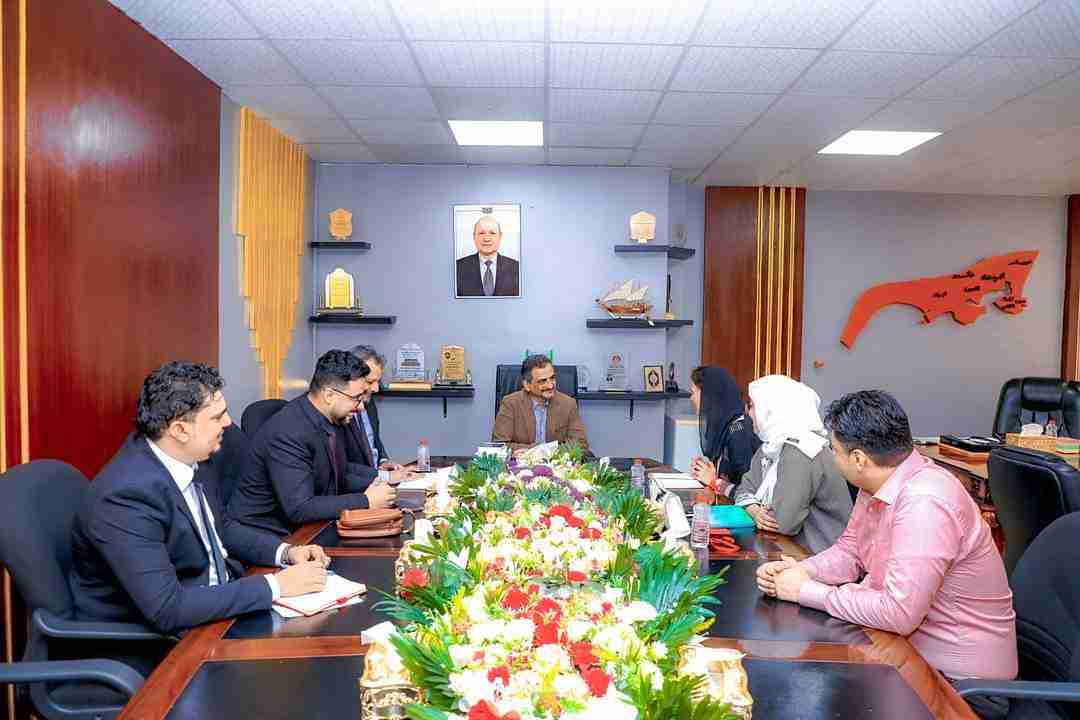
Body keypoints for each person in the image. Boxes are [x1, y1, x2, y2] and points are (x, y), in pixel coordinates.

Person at [757, 390, 1016, 719]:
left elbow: (898, 613)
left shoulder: (925, 503)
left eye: (834, 451)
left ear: (859, 459)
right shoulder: (879, 483)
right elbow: (850, 552)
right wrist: (802, 571)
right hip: (905, 654)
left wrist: (805, 591)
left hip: (959, 687)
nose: (832, 459)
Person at [70, 362, 331, 635]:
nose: (228, 423)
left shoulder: (193, 457)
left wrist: (286, 553)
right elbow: (167, 609)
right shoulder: (125, 497)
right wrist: (277, 586)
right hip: (166, 641)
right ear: (180, 430)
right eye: (217, 417)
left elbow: (222, 528)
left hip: (217, 607)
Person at [228, 350, 396, 538]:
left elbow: (340, 472)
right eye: (356, 398)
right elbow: (300, 508)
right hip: (270, 535)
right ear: (329, 395)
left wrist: (385, 483)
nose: (361, 407)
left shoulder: (330, 418)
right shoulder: (289, 431)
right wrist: (366, 500)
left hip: (308, 526)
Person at [727, 375, 852, 553]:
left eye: (753, 406)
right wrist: (755, 511)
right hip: (787, 549)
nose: (749, 413)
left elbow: (782, 523)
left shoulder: (803, 450)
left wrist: (756, 509)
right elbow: (743, 489)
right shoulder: (770, 446)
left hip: (818, 556)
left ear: (771, 409)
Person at [345, 345, 415, 487]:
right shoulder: (341, 411)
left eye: (378, 381)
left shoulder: (369, 403)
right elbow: (344, 467)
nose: (376, 389)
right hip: (360, 488)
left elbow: (374, 442)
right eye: (370, 382)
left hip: (379, 481)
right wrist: (385, 477)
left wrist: (383, 462)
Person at [493, 354, 589, 454]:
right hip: (521, 462)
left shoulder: (568, 404)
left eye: (552, 378)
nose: (550, 385)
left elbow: (580, 444)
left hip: (557, 462)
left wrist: (550, 453)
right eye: (543, 381)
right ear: (527, 385)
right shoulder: (510, 403)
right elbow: (499, 445)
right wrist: (536, 451)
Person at [688, 366, 759, 495]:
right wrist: (708, 471)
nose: (691, 398)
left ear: (709, 395)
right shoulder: (726, 426)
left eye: (693, 392)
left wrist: (713, 481)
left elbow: (748, 493)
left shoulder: (738, 433)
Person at [455, 214, 520, 297]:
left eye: (492, 233)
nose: (486, 238)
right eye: (481, 233)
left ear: (500, 237)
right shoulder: (458, 267)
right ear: (474, 237)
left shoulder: (516, 268)